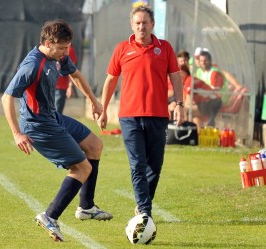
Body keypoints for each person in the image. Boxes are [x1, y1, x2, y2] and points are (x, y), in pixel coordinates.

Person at [1, 19, 112, 242]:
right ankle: (50, 216)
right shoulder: (33, 65)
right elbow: (7, 97)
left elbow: (76, 75)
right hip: (38, 125)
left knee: (95, 146)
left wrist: (94, 101)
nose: (65, 52)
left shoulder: (57, 56)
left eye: (67, 47)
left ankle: (86, 207)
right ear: (48, 42)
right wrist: (16, 133)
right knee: (82, 168)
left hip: (53, 117)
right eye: (61, 48)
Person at [98, 5, 184, 218]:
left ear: (152, 25)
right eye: (137, 23)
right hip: (130, 117)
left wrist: (180, 105)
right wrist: (103, 109)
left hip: (158, 116)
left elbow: (176, 76)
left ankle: (143, 205)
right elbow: (110, 80)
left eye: (145, 22)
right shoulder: (121, 49)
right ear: (131, 25)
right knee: (138, 164)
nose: (141, 26)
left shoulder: (165, 48)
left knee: (155, 166)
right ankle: (144, 211)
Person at [180, 65, 222, 132]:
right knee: (193, 113)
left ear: (186, 72)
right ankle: (198, 134)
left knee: (184, 110)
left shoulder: (189, 80)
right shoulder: (185, 82)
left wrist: (182, 106)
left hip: (213, 102)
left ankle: (183, 132)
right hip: (208, 102)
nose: (179, 75)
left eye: (181, 73)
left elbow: (188, 100)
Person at [55, 45, 77, 113]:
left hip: (61, 87)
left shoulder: (70, 50)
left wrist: (70, 86)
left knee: (57, 112)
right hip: (49, 86)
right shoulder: (50, 48)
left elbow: (72, 71)